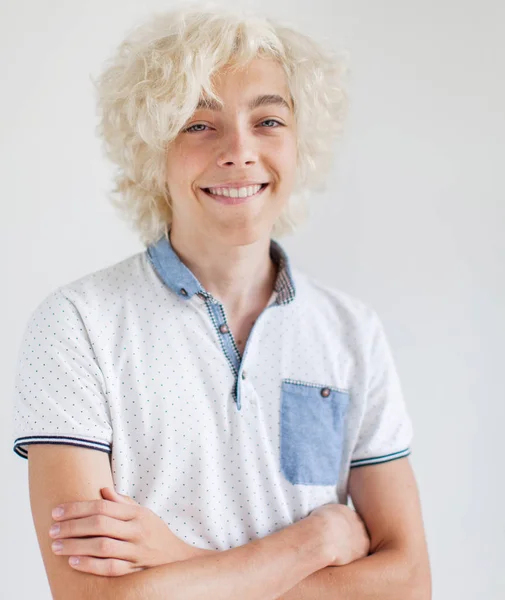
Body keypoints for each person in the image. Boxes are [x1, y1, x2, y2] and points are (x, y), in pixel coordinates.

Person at [12, 4, 431, 599]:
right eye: (198, 124)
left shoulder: (351, 332)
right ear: (151, 149)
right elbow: (95, 598)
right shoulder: (77, 326)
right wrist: (313, 543)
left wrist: (180, 564)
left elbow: (410, 584)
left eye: (267, 121)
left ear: (299, 141)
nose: (239, 151)